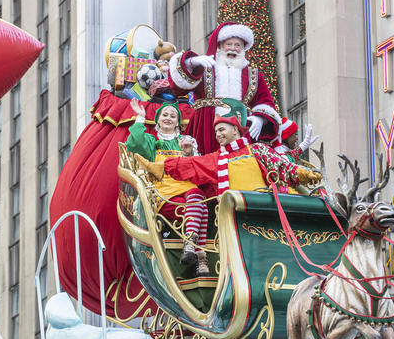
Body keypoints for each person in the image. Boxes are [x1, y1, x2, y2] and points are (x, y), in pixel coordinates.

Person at [135, 99, 322, 200]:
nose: (218, 135)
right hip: (233, 216)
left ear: (235, 130)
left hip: (264, 207)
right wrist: (158, 167)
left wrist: (305, 174)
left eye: (222, 129)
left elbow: (282, 167)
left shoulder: (256, 150)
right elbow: (189, 165)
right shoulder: (217, 158)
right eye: (216, 131)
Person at [125, 99, 210, 276]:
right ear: (158, 120)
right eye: (165, 115)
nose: (169, 118)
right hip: (164, 193)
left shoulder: (186, 141)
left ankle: (190, 245)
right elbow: (134, 144)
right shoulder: (151, 141)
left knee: (197, 195)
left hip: (187, 188)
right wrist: (140, 118)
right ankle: (199, 255)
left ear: (178, 122)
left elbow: (197, 168)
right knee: (200, 206)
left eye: (173, 116)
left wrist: (191, 154)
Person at [167, 22, 281, 154]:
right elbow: (178, 88)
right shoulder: (204, 67)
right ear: (220, 46)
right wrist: (192, 62)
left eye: (238, 45)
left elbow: (265, 101)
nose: (233, 48)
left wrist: (260, 118)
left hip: (240, 128)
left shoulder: (253, 74)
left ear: (244, 48)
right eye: (229, 44)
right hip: (204, 126)